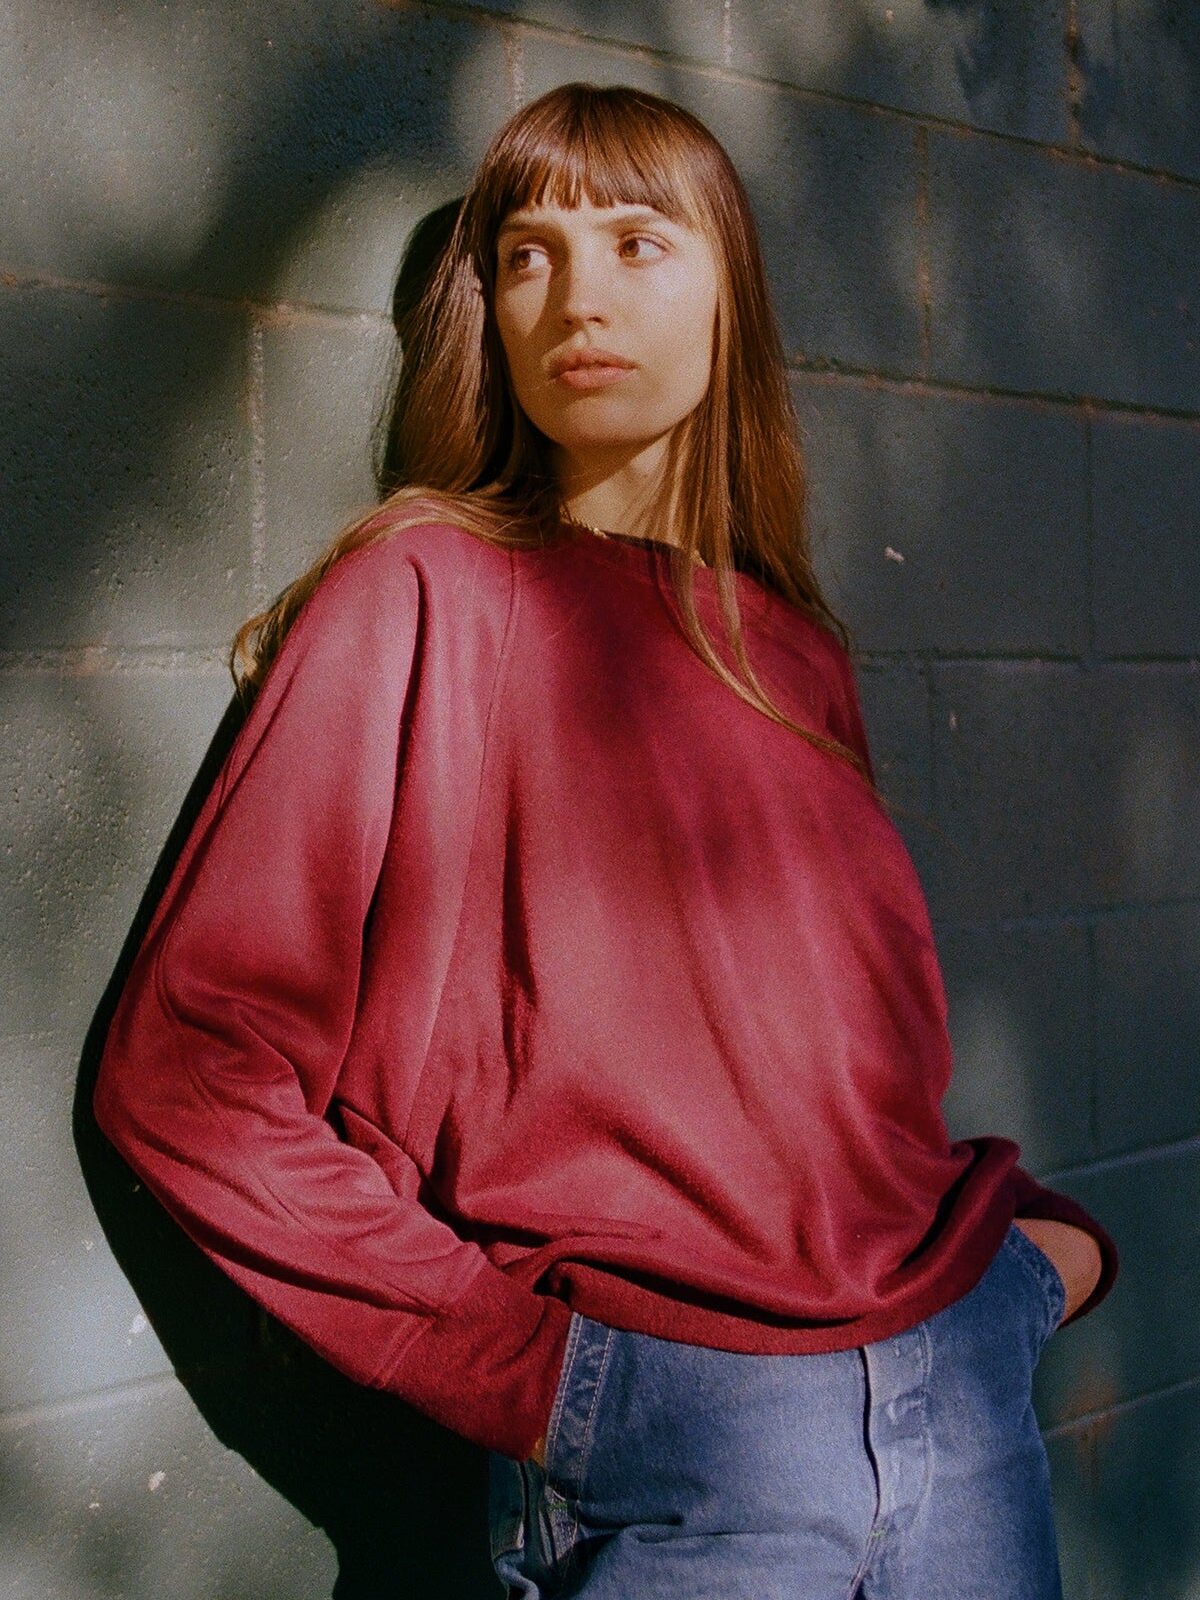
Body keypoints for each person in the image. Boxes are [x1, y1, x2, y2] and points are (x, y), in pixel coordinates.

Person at [93, 80, 1117, 1598]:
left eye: (640, 242)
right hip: (687, 1462)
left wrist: (1026, 1268)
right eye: (527, 254)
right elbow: (189, 1071)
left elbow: (847, 1074)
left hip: (959, 1412)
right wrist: (544, 1380)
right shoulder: (421, 595)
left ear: (728, 296)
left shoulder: (791, 647)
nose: (577, 296)